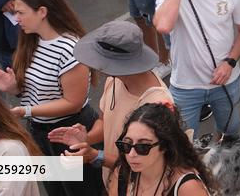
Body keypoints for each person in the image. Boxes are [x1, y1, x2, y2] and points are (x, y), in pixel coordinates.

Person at [0, 0, 104, 196]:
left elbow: (72, 102)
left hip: (69, 133)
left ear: (42, 12)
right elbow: (40, 91)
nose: (16, 18)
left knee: (82, 191)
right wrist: (14, 88)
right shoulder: (31, 41)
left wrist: (26, 110)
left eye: (20, 12)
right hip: (40, 133)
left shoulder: (70, 48)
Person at [48, 20, 173, 181]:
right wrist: (86, 138)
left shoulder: (158, 105)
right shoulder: (116, 80)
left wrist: (95, 156)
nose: (98, 66)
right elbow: (104, 120)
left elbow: (150, 167)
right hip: (115, 181)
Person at [153, 0, 240, 138]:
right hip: (186, 86)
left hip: (226, 80)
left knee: (230, 132)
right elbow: (163, 25)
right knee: (185, 141)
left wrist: (230, 63)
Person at [108, 103, 215, 196]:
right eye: (127, 144)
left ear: (164, 146)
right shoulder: (122, 173)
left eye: (143, 147)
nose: (131, 154)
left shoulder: (186, 187)